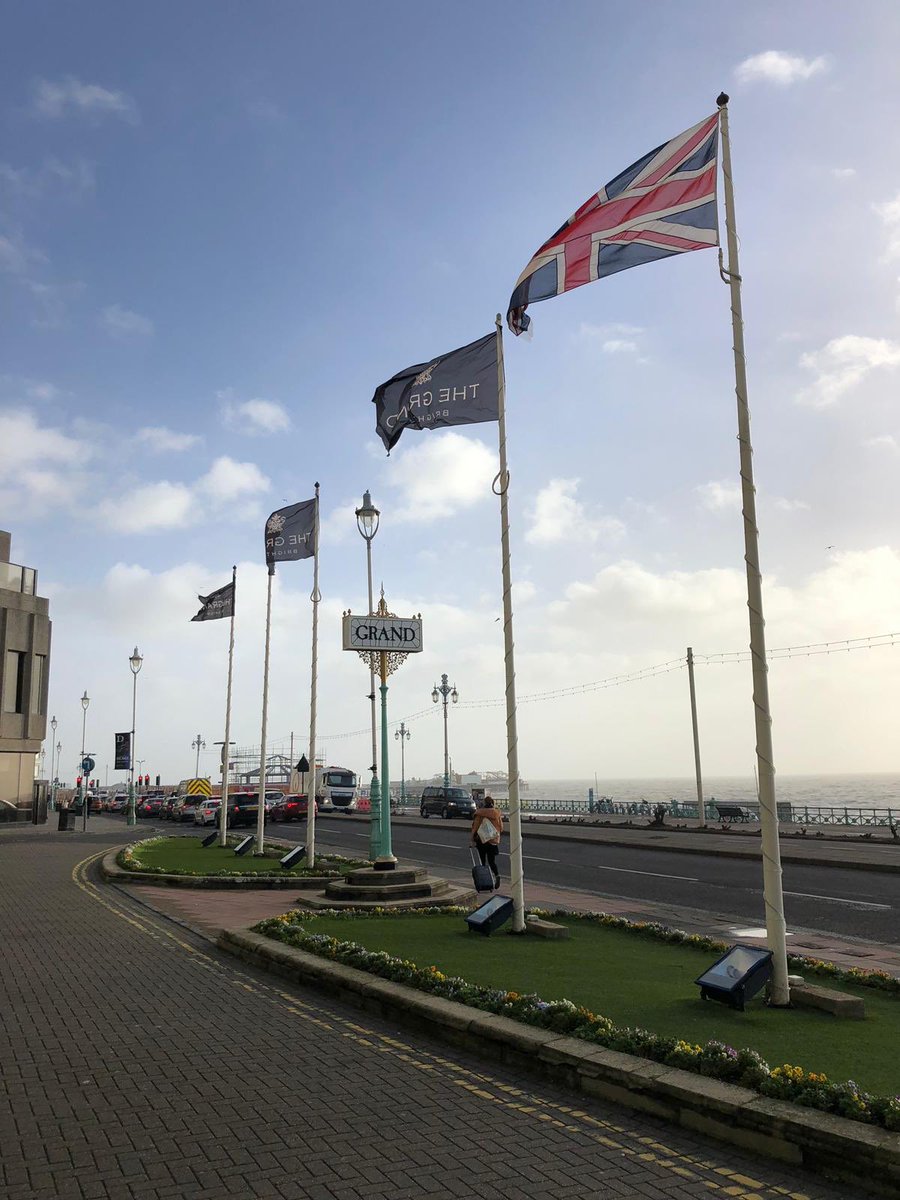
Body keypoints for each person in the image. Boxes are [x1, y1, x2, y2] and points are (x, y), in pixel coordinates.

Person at [471, 794, 504, 889]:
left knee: (482, 862)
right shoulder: (496, 814)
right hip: (492, 841)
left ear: (484, 804)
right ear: (492, 803)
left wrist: (472, 839)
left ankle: (485, 881)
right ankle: (497, 875)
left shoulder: (480, 813)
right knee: (492, 861)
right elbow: (501, 828)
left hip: (482, 840)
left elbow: (475, 827)